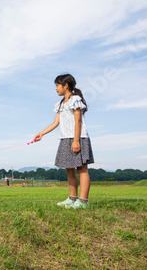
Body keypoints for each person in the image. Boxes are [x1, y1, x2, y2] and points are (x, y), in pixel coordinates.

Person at [34, 74, 94, 209]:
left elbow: (78, 121)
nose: (55, 88)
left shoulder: (75, 100)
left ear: (65, 86)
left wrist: (76, 141)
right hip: (65, 138)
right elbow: (56, 122)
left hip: (78, 138)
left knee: (82, 169)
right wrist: (41, 133)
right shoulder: (60, 104)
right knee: (69, 169)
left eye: (57, 85)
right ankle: (73, 199)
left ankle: (83, 201)